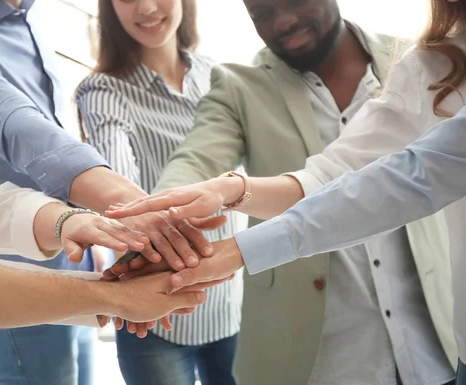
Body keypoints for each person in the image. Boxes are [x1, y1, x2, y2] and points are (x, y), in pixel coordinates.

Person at [104, 0, 459, 384]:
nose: (284, 21)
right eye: (261, 13)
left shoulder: (409, 58)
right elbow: (200, 160)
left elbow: (407, 179)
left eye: (293, 1)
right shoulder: (239, 84)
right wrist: (165, 220)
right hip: (317, 358)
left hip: (436, 342)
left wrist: (236, 243)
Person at [0, 1, 216, 384]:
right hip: (5, 275)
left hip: (72, 261)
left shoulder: (24, 17)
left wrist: (103, 235)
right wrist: (134, 206)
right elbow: (13, 123)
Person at [75, 0, 245, 384]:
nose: (147, 7)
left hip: (229, 299)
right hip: (155, 309)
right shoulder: (104, 91)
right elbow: (122, 204)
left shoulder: (216, 74)